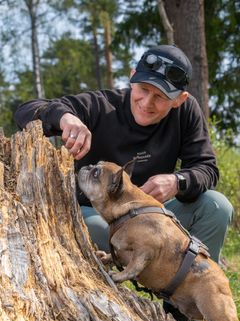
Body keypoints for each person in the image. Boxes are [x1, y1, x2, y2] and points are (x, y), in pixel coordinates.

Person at [14, 44, 233, 266]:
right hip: (98, 215)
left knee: (216, 206)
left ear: (179, 99)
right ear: (132, 77)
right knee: (99, 230)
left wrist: (177, 181)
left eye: (160, 96)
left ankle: (186, 296)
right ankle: (100, 294)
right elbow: (26, 110)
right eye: (143, 89)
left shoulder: (186, 112)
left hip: (153, 214)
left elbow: (206, 168)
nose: (147, 103)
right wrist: (65, 118)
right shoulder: (102, 105)